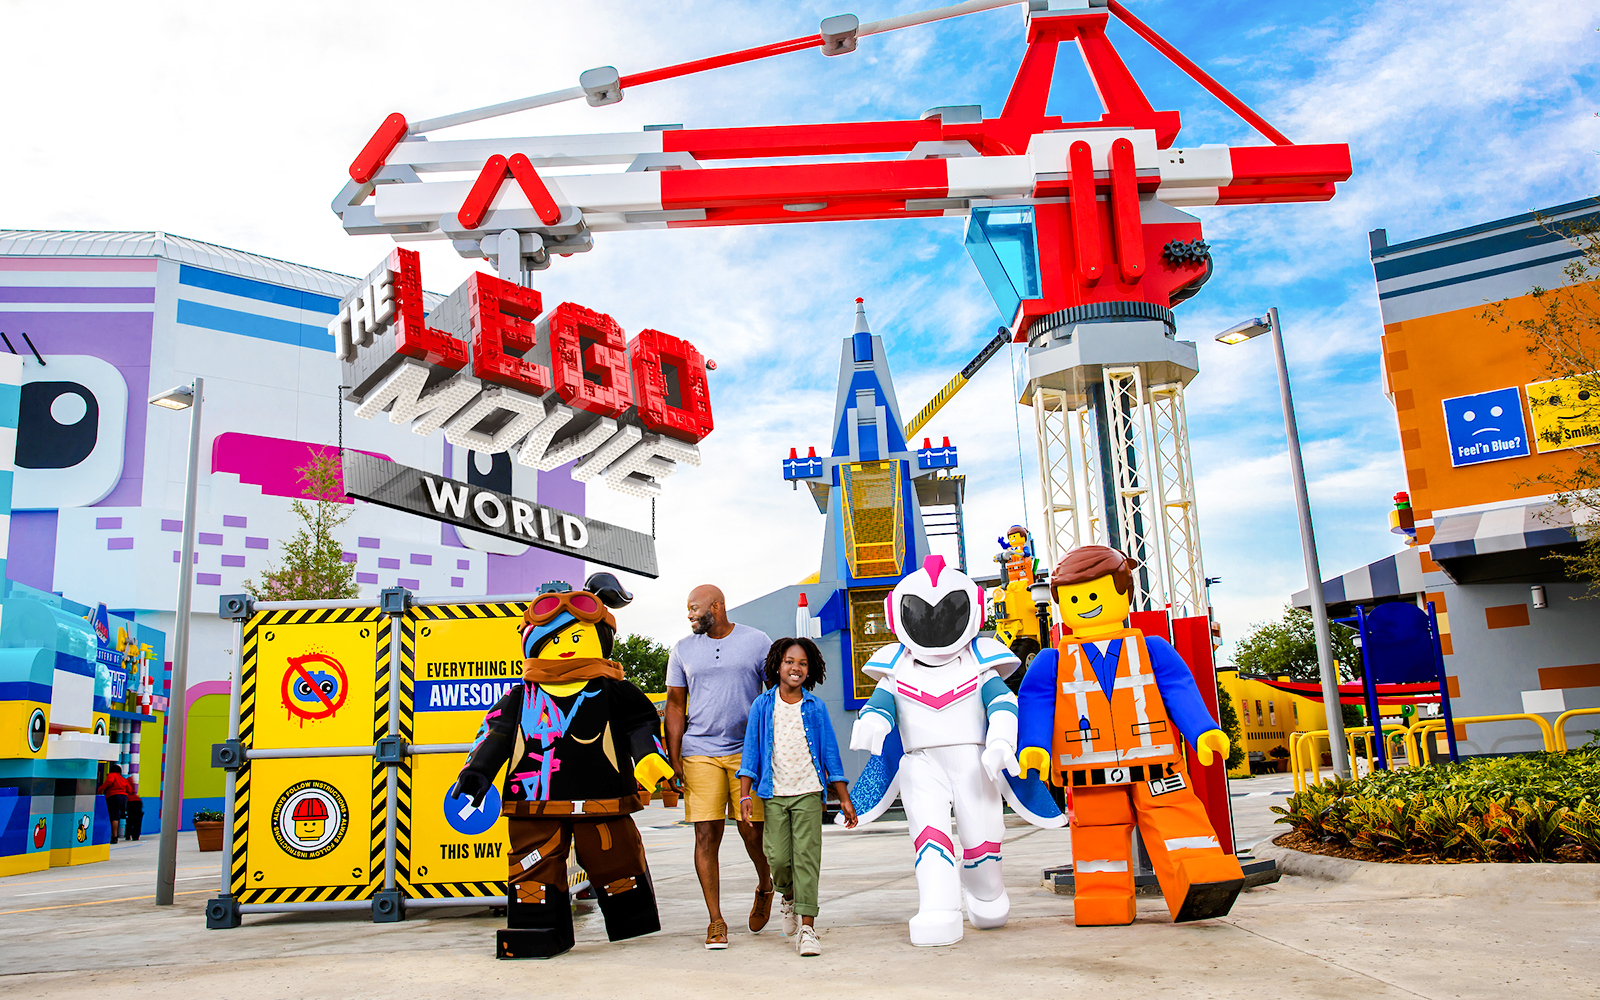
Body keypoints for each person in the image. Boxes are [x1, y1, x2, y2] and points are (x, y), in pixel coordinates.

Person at [1018, 545, 1244, 927]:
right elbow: (1036, 701)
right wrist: (1034, 747)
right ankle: (1104, 899)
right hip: (1090, 768)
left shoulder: (1151, 648)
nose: (1086, 604)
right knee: (1098, 836)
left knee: (1178, 821)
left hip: (1154, 761)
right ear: (1061, 602)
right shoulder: (1052, 660)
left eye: (1095, 593)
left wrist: (1203, 731)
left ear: (1123, 591)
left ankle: (1202, 880)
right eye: (1075, 597)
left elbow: (1179, 689)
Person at [455, 573, 675, 959]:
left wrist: (649, 757)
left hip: (601, 798)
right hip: (533, 803)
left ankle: (631, 922)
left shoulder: (614, 690)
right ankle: (538, 931)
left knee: (616, 861)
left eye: (576, 637)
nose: (568, 647)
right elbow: (496, 736)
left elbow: (640, 723)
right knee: (531, 870)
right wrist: (476, 774)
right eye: (555, 640)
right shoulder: (520, 696)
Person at [665, 584, 774, 950]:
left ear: (717, 605)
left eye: (695, 608)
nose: (690, 614)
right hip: (700, 751)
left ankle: (765, 884)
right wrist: (674, 754)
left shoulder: (757, 641)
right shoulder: (682, 649)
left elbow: (775, 696)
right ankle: (716, 921)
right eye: (688, 609)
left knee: (752, 833)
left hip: (747, 751)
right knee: (705, 835)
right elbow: (676, 706)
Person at [737, 637, 857, 957]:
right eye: (790, 661)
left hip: (807, 792)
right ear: (777, 665)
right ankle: (787, 897)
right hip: (773, 793)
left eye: (803, 663)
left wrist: (843, 797)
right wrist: (744, 794)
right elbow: (750, 752)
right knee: (777, 858)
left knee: (807, 859)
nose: (796, 668)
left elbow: (830, 753)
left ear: (810, 669)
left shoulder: (815, 707)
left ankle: (807, 928)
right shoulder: (763, 705)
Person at [98, 764, 132, 844]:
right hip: (123, 797)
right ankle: (124, 833)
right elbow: (129, 789)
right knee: (120, 816)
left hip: (113, 796)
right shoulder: (123, 779)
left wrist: (100, 790)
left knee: (114, 816)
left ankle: (114, 836)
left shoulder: (112, 775)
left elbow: (109, 782)